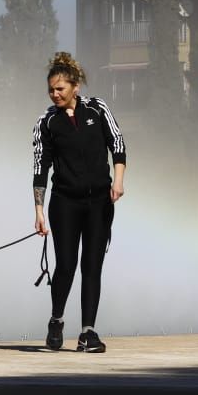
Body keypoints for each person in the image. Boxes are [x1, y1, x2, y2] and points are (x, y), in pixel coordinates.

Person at [32, 52, 126, 353]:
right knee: (67, 265)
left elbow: (118, 144)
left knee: (92, 266)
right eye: (51, 89)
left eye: (60, 88)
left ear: (75, 86)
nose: (54, 94)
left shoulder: (98, 109)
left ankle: (88, 333)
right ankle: (56, 321)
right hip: (64, 203)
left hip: (99, 202)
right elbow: (40, 167)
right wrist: (38, 211)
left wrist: (118, 181)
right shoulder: (47, 121)